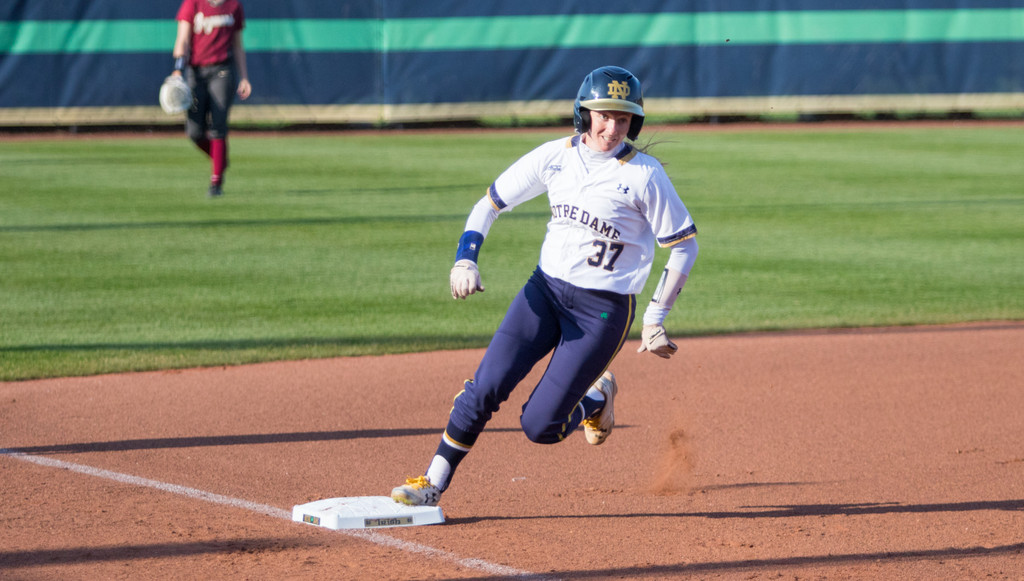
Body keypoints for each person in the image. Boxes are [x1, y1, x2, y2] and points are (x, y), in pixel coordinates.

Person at [391, 66, 699, 507]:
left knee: (540, 427)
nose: (612, 127)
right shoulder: (556, 156)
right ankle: (432, 483)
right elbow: (489, 203)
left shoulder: (644, 175)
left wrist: (655, 316)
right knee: (484, 387)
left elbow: (685, 246)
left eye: (624, 118)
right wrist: (465, 258)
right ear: (583, 113)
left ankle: (596, 397)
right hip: (546, 293)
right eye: (603, 115)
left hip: (603, 312)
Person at [171, 0, 252, 198]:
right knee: (194, 131)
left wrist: (244, 77)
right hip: (196, 72)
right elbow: (183, 39)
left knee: (218, 125)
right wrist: (177, 68)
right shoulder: (193, 3)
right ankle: (220, 159)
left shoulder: (233, 6)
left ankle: (216, 182)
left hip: (222, 71)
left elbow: (238, 45)